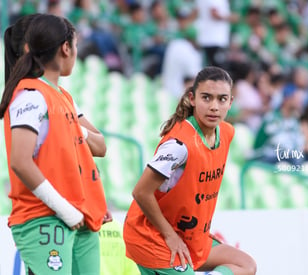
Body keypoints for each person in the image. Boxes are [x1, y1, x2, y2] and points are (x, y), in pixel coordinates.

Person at [0, 14, 111, 274]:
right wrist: (66, 210)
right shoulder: (30, 95)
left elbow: (100, 146)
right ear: (65, 48)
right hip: (48, 218)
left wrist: (88, 201)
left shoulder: (62, 97)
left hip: (79, 216)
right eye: (75, 44)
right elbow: (19, 161)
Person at [123, 66, 257, 275]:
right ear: (192, 99)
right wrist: (170, 235)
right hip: (152, 237)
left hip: (189, 236)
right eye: (206, 98)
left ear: (231, 102)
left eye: (222, 99)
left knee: (245, 265)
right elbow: (141, 192)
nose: (214, 106)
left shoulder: (227, 132)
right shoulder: (178, 145)